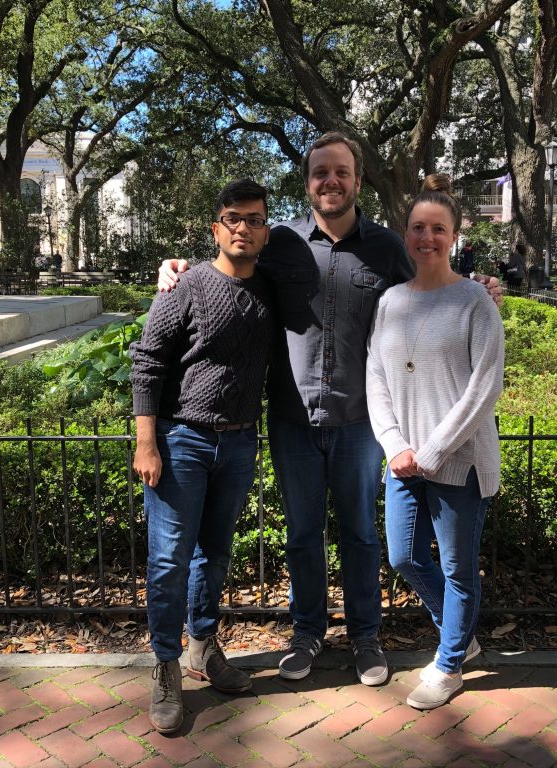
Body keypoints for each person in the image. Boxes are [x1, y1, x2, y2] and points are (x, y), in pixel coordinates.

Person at [158, 132, 503, 687]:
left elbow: (430, 288)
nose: (331, 181)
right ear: (308, 181)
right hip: (292, 417)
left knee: (362, 535)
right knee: (301, 534)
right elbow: (231, 263)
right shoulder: (280, 242)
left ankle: (366, 637)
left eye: (341, 171)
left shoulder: (389, 247)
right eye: (321, 172)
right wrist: (177, 269)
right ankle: (307, 633)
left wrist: (480, 286)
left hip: (362, 421)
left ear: (357, 180)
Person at [131, 179, 274, 733]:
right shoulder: (184, 286)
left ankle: (202, 646)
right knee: (169, 560)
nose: (244, 227)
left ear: (266, 229)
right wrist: (147, 443)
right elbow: (147, 363)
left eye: (255, 219)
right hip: (182, 441)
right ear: (216, 227)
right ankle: (166, 666)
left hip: (239, 441)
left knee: (213, 553)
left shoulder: (271, 287)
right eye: (233, 218)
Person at [366, 174, 504, 710]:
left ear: (454, 237)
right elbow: (375, 375)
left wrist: (430, 453)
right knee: (403, 556)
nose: (428, 238)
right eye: (419, 228)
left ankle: (448, 666)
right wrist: (395, 445)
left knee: (456, 567)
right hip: (401, 460)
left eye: (438, 229)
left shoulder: (474, 301)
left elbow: (484, 387)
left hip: (459, 462)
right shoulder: (390, 301)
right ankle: (460, 635)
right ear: (407, 235)